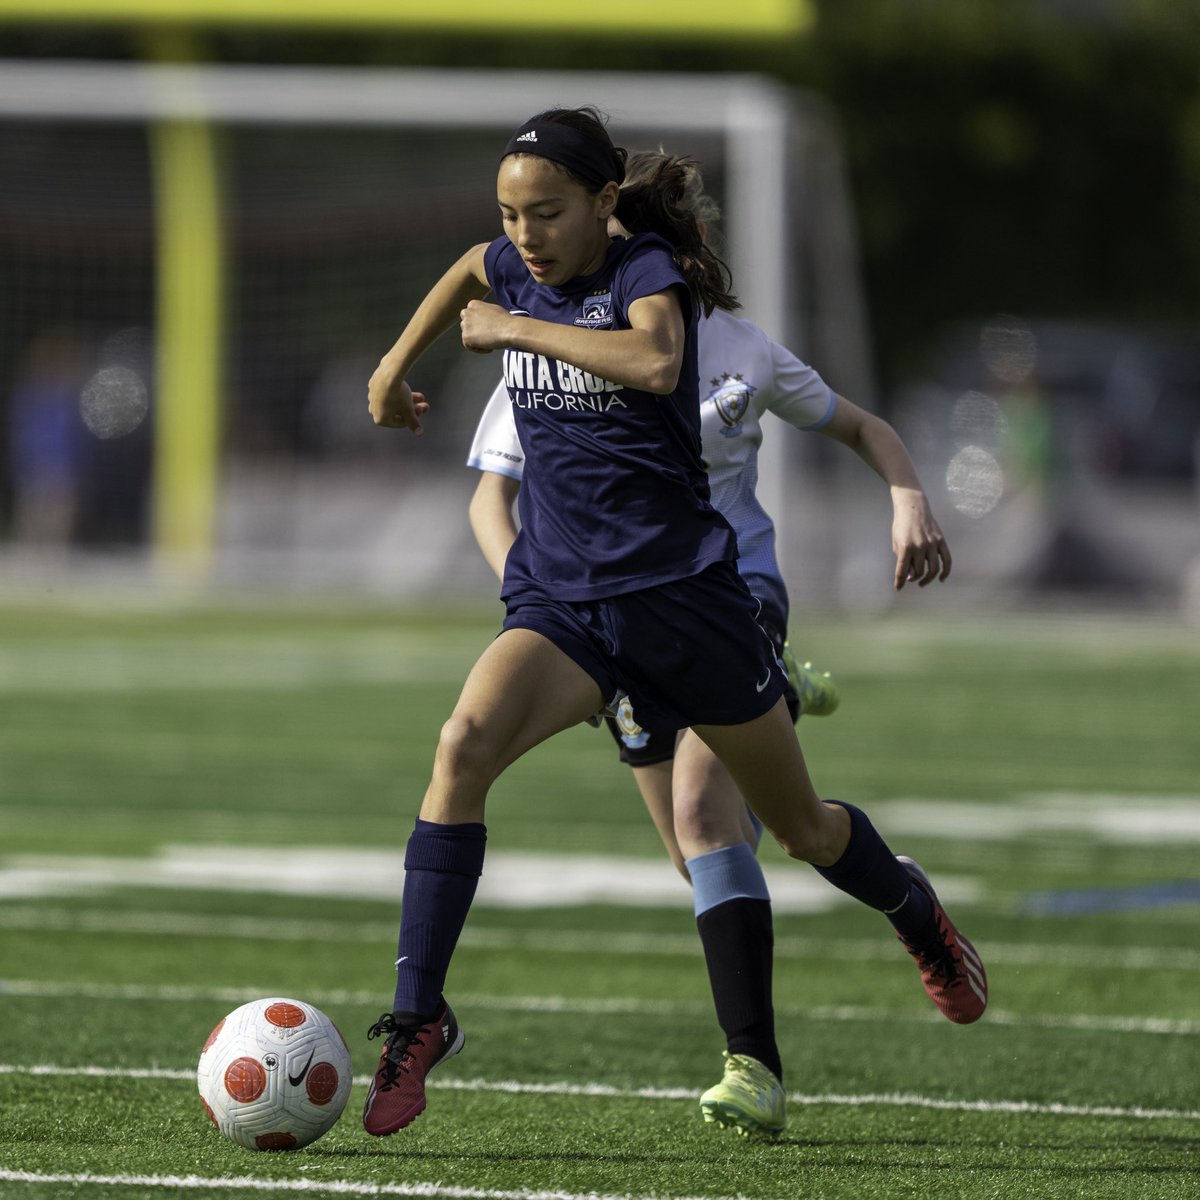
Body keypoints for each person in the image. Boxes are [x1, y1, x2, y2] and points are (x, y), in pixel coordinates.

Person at [362, 106, 987, 1142]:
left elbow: (654, 363)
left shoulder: (642, 274)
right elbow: (466, 272)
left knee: (798, 830)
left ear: (607, 205)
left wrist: (511, 330)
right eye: (511, 213)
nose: (524, 235)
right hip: (566, 608)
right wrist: (393, 371)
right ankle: (421, 1017)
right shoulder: (512, 266)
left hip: (692, 606)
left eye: (548, 213)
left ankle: (915, 912)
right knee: (461, 744)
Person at [465, 150, 855, 1137]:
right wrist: (538, 598)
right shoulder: (547, 335)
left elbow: (856, 426)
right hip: (606, 613)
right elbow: (490, 494)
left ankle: (754, 1066)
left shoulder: (719, 345)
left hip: (727, 594)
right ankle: (771, 719)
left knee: (705, 813)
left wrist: (903, 498)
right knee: (706, 850)